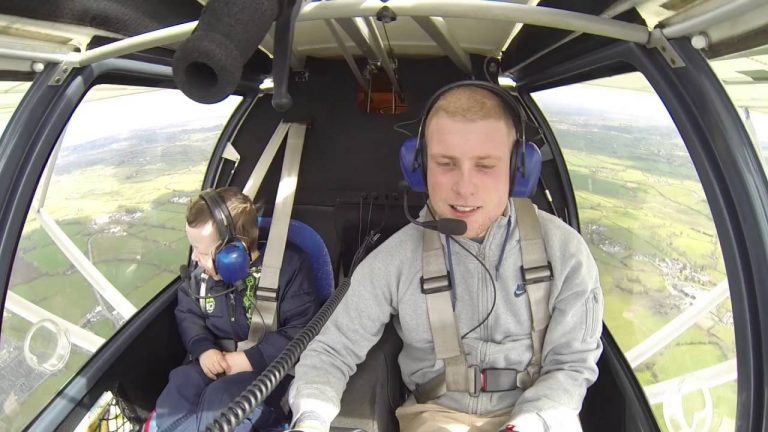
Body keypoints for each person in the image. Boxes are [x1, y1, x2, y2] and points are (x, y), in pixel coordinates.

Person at [288, 83, 604, 432]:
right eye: (446, 164)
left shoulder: (565, 252)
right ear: (418, 166)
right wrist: (311, 417)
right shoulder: (395, 259)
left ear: (518, 169)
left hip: (537, 414)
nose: (464, 188)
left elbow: (573, 363)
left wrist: (533, 421)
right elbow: (332, 348)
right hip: (435, 417)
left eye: (485, 165)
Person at [154, 187, 321, 432]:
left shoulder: (289, 268)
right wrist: (203, 348)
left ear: (233, 250)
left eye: (201, 252)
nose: (194, 260)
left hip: (269, 370)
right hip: (214, 360)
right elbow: (188, 312)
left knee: (221, 402)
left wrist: (248, 359)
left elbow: (301, 329)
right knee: (179, 385)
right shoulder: (200, 277)